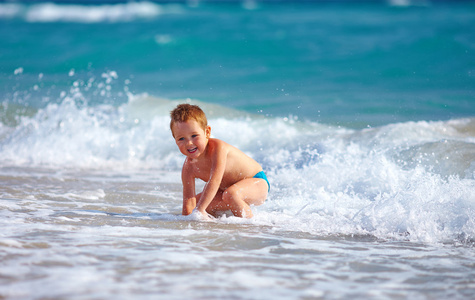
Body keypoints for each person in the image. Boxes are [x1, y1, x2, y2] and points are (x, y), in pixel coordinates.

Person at [170, 103, 269, 219]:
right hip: (227, 191)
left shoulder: (218, 148)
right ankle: (220, 226)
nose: (189, 143)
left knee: (230, 195)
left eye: (194, 136)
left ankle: (251, 226)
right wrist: (188, 222)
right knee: (196, 205)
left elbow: (214, 181)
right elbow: (188, 202)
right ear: (175, 140)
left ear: (207, 132)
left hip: (257, 182)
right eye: (181, 138)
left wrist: (200, 210)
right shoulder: (188, 167)